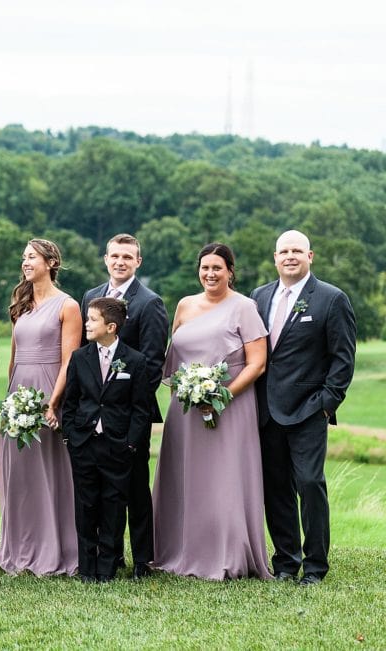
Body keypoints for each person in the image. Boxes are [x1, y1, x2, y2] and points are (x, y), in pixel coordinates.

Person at [152, 243, 271, 580]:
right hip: (185, 409)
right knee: (186, 477)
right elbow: (173, 358)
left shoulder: (245, 307)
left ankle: (227, 553)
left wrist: (221, 396)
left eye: (217, 268)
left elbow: (257, 363)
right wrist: (188, 392)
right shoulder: (185, 305)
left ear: (230, 271)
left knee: (223, 479)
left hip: (230, 407)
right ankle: (178, 549)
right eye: (205, 268)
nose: (210, 274)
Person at [251, 230, 356, 586]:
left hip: (309, 411)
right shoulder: (259, 296)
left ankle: (315, 567)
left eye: (297, 250)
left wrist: (327, 404)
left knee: (310, 484)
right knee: (275, 488)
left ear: (311, 256)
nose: (290, 256)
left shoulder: (331, 298)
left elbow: (343, 359)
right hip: (266, 411)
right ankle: (285, 562)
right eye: (284, 251)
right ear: (275, 257)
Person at [80, 233, 167, 578]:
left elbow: (152, 363)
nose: (120, 262)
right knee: (101, 489)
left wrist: (128, 410)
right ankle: (108, 555)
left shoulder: (149, 303)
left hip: (130, 415)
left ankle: (143, 558)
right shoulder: (90, 296)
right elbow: (83, 357)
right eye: (114, 255)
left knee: (133, 487)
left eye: (127, 257)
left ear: (138, 262)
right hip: (93, 417)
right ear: (105, 259)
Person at [0, 239, 80, 577]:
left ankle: (54, 549)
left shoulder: (68, 306)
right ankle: (19, 547)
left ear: (49, 262)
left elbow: (69, 360)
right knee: (19, 473)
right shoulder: (21, 302)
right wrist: (10, 399)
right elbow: (14, 358)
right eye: (23, 258)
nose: (25, 263)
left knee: (50, 471)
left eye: (31, 257)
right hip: (19, 392)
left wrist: (54, 402)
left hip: (49, 390)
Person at [62, 297, 151, 583]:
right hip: (84, 443)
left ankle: (107, 567)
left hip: (118, 446)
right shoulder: (79, 358)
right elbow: (71, 401)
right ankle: (87, 567)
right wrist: (71, 436)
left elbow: (141, 409)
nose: (86, 323)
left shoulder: (135, 361)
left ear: (111, 326)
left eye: (92, 319)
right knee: (86, 505)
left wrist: (130, 444)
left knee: (113, 506)